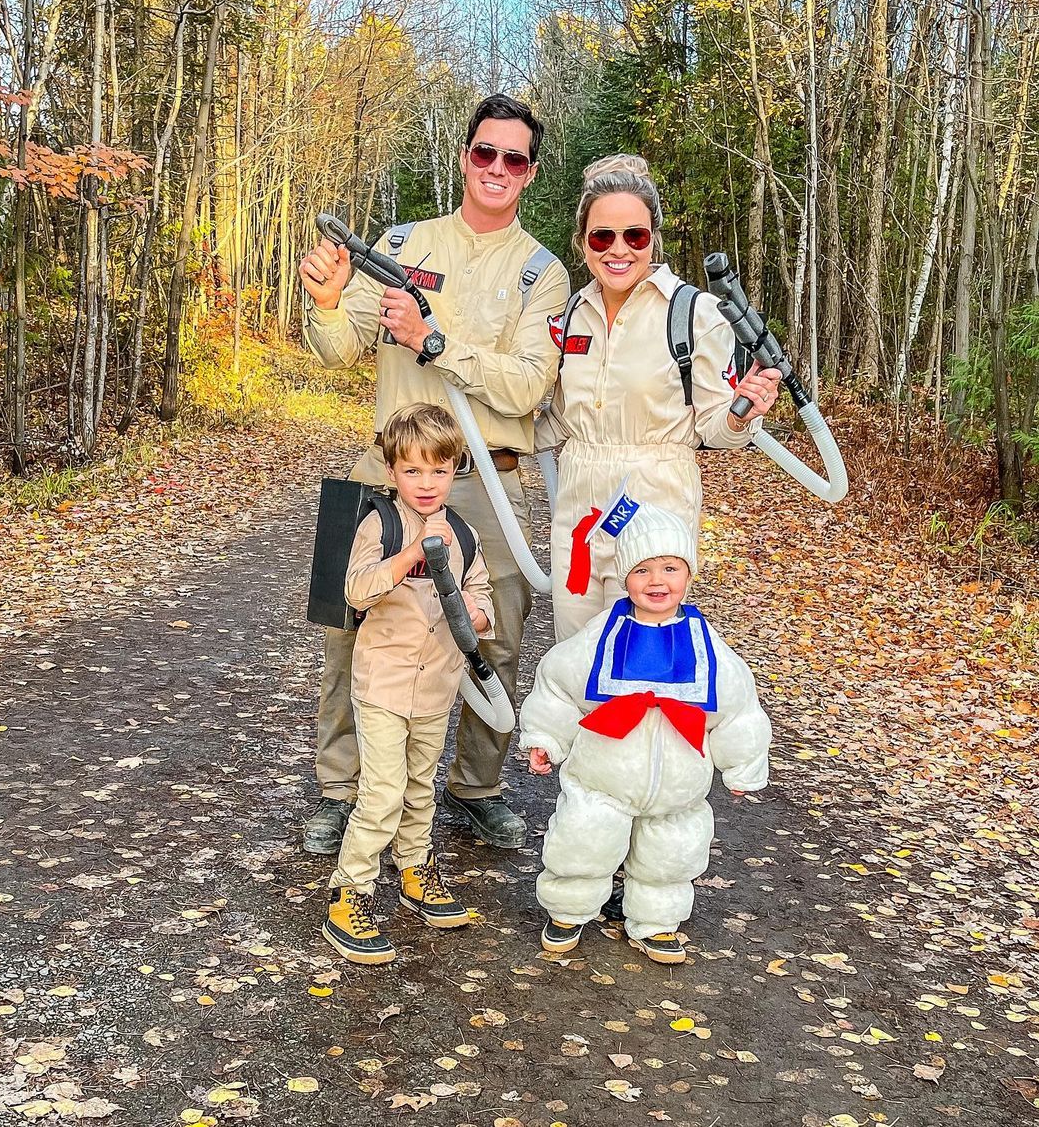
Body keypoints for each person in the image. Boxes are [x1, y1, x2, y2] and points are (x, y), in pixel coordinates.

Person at [299, 94, 570, 852]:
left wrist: (434, 340)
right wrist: (325, 302)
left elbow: (525, 385)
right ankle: (340, 789)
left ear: (530, 173)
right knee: (346, 625)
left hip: (486, 480)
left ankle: (477, 787)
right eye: (485, 152)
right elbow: (336, 346)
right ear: (464, 156)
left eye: (513, 159)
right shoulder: (401, 239)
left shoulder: (542, 274)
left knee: (493, 634)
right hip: (383, 468)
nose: (497, 168)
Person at [536, 155, 781, 644]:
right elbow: (560, 421)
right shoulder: (571, 314)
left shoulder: (693, 313)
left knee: (636, 664)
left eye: (635, 236)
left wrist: (743, 415)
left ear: (653, 239)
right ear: (583, 242)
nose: (618, 250)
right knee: (573, 657)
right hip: (579, 503)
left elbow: (715, 428)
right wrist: (486, 440)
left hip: (656, 503)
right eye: (602, 236)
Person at [518, 502, 771, 962]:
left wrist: (743, 764)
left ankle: (656, 921)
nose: (657, 581)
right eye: (643, 570)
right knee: (584, 840)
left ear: (689, 574)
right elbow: (559, 684)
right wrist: (545, 739)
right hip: (603, 777)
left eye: (671, 568)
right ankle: (568, 911)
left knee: (669, 855)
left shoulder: (706, 644)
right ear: (624, 578)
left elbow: (738, 704)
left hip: (679, 787)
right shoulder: (603, 636)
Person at [323, 404, 494, 965]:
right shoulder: (382, 523)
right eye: (413, 471)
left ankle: (416, 867)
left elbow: (482, 597)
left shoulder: (465, 534)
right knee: (383, 791)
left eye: (438, 471)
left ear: (455, 470)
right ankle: (351, 889)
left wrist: (478, 612)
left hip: (437, 686)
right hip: (383, 683)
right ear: (393, 470)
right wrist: (411, 555)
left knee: (421, 784)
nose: (426, 483)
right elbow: (356, 589)